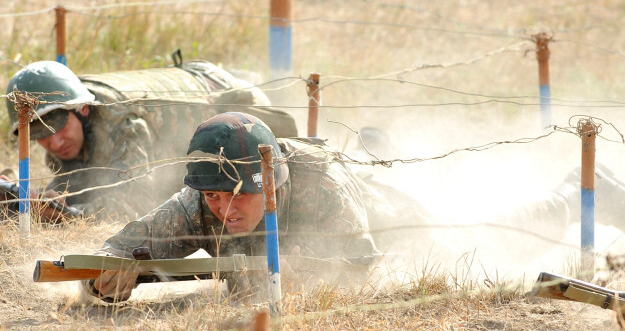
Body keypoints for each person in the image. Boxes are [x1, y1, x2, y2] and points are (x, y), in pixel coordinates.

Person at [81, 112, 383, 303]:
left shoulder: (323, 184)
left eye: (239, 195)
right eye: (214, 195)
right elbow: (120, 249)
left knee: (380, 175)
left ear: (270, 185)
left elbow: (364, 268)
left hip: (370, 196)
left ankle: (372, 144)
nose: (225, 210)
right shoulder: (197, 200)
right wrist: (101, 283)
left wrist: (316, 279)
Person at [4, 60, 298, 221]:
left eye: (59, 128)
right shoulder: (67, 121)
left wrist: (71, 215)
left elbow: (134, 202)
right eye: (40, 135)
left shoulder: (122, 120)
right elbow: (81, 184)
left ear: (82, 109)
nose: (54, 143)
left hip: (232, 95)